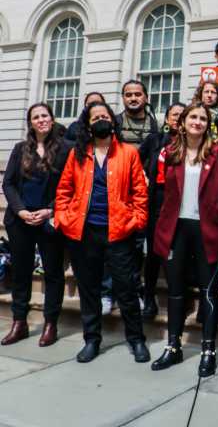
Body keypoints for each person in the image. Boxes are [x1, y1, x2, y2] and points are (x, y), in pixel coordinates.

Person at [54, 101, 149, 363]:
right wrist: (63, 218)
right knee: (89, 289)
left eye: (105, 116)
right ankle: (92, 340)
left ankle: (136, 340)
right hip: (84, 233)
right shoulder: (78, 153)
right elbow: (63, 191)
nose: (100, 120)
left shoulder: (128, 153)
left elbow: (140, 192)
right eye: (95, 117)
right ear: (88, 124)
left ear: (113, 121)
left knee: (126, 288)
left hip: (119, 231)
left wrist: (137, 220)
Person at [150, 103, 218, 377]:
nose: (197, 121)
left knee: (209, 291)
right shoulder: (170, 152)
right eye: (192, 117)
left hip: (207, 229)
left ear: (207, 124)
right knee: (175, 290)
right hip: (175, 228)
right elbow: (160, 191)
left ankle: (209, 350)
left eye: (202, 118)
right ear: (182, 122)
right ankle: (173, 347)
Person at [1, 104, 71, 347]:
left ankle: (50, 323)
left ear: (52, 119)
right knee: (21, 272)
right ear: (30, 122)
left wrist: (49, 209)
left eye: (45, 115)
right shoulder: (21, 149)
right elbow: (8, 183)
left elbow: (70, 186)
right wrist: (20, 210)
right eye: (36, 117)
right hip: (20, 220)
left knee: (53, 272)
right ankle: (19, 322)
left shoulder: (65, 149)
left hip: (49, 218)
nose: (41, 120)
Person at [112, 80, 159, 316]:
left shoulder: (154, 124)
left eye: (137, 94)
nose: (133, 98)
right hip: (118, 190)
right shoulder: (116, 123)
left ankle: (135, 290)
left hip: (143, 192)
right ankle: (114, 291)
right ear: (123, 98)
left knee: (139, 243)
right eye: (128, 94)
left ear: (146, 97)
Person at [138, 102, 186, 319]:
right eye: (173, 115)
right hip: (156, 197)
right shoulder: (154, 139)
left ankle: (178, 299)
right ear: (167, 119)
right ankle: (149, 299)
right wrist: (143, 178)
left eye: (181, 115)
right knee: (155, 252)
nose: (177, 118)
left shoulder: (192, 142)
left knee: (177, 250)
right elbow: (134, 162)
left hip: (181, 200)